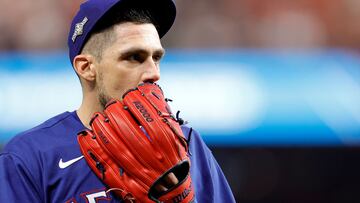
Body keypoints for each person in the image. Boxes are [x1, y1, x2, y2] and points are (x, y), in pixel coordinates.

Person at [0, 0, 236, 202]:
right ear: (87, 67)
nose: (154, 73)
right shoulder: (30, 157)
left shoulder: (188, 146)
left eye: (156, 57)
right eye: (134, 57)